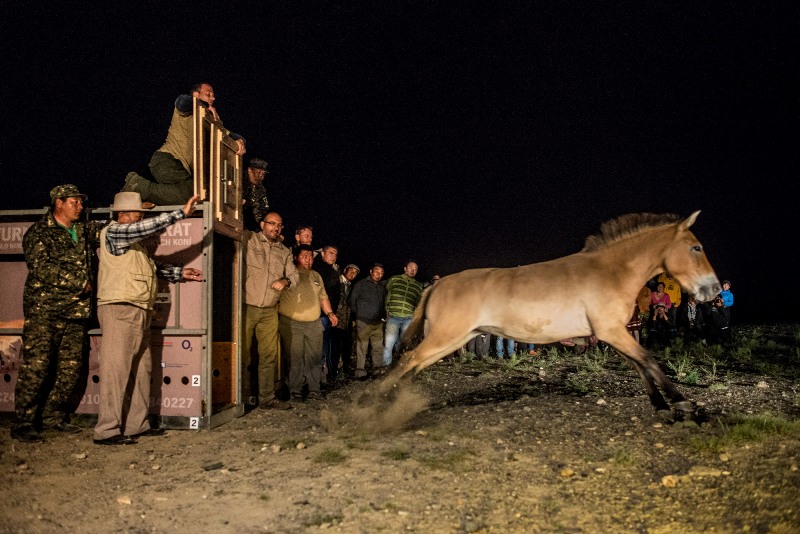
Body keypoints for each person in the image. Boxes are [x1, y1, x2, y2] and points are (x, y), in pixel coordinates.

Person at [93, 192, 203, 445]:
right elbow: (145, 228)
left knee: (142, 371)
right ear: (121, 215)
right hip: (120, 309)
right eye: (136, 214)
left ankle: (136, 425)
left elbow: (152, 267)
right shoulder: (114, 232)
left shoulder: (135, 245)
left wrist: (180, 273)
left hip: (139, 309)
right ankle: (107, 430)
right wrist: (181, 214)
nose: (141, 218)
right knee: (116, 372)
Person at [11, 185, 106, 443]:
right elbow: (41, 267)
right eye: (75, 202)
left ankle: (53, 418)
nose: (80, 206)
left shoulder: (84, 229)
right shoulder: (39, 232)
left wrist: (131, 212)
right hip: (46, 312)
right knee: (37, 367)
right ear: (58, 203)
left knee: (70, 370)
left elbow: (110, 231)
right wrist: (79, 282)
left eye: (81, 202)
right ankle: (23, 423)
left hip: (75, 313)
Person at [123, 83, 246, 206]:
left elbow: (230, 135)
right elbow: (181, 102)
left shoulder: (209, 119)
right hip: (167, 159)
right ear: (196, 94)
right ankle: (137, 184)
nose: (212, 98)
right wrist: (200, 105)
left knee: (200, 193)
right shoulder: (188, 111)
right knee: (193, 194)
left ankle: (150, 197)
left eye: (213, 96)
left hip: (182, 169)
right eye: (208, 94)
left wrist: (240, 141)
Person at [242, 211, 298, 410]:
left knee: (268, 356)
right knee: (241, 353)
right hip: (247, 307)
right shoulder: (249, 239)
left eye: (279, 225)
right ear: (262, 224)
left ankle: (266, 399)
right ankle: (238, 398)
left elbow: (295, 276)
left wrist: (285, 280)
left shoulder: (284, 251)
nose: (276, 227)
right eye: (272, 223)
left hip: (269, 311)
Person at [279, 244, 337, 400]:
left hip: (313, 323)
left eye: (311, 256)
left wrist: (330, 313)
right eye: (304, 256)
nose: (308, 259)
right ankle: (295, 390)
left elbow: (323, 297)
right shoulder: (289, 274)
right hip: (292, 323)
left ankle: (314, 390)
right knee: (295, 357)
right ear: (296, 257)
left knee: (315, 357)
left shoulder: (316, 276)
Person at [382, 260, 423, 369]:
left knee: (403, 344)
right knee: (388, 344)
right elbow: (387, 295)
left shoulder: (418, 285)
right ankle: (386, 368)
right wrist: (386, 310)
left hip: (408, 318)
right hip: (393, 317)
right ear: (405, 269)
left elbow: (418, 302)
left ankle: (399, 367)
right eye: (410, 268)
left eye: (415, 269)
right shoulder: (395, 279)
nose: (413, 270)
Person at [348, 263, 387, 379]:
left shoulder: (381, 287)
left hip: (378, 323)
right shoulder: (361, 284)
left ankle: (376, 369)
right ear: (371, 271)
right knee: (362, 347)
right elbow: (351, 301)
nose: (379, 275)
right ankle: (360, 371)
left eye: (381, 273)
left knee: (378, 347)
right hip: (363, 322)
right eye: (376, 272)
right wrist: (360, 313)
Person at [312, 245, 341, 385]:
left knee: (325, 345)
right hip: (318, 314)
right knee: (318, 347)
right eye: (330, 253)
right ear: (322, 253)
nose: (333, 256)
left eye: (335, 254)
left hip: (329, 315)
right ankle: (315, 378)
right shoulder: (317, 269)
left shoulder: (334, 271)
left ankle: (322, 376)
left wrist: (332, 313)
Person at [330, 263, 359, 383]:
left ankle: (346, 371)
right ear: (345, 270)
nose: (352, 274)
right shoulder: (336, 282)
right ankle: (332, 373)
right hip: (334, 320)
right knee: (334, 348)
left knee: (346, 347)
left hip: (347, 322)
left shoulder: (352, 287)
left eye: (355, 273)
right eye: (351, 271)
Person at [242, 158, 270, 232]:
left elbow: (265, 208)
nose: (261, 176)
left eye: (263, 173)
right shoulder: (240, 184)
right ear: (249, 171)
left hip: (257, 229)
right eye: (259, 172)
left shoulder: (261, 189)